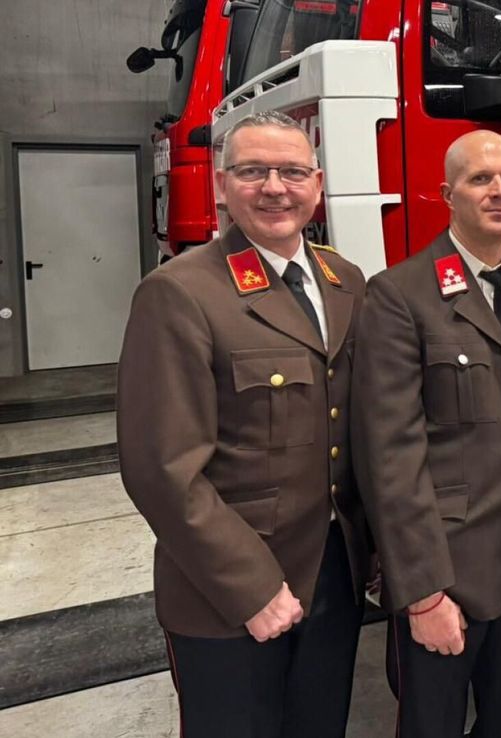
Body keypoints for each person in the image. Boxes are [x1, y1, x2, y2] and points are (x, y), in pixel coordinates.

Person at [117, 111, 369, 737]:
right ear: (221, 185)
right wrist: (252, 589)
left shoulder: (345, 282)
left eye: (292, 172)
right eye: (253, 171)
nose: (275, 188)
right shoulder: (180, 292)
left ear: (318, 184)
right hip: (227, 591)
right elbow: (162, 471)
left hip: (332, 574)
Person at [351, 129, 501, 738]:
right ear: (447, 195)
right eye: (480, 179)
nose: (498, 191)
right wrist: (422, 593)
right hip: (449, 575)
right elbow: (390, 458)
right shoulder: (400, 294)